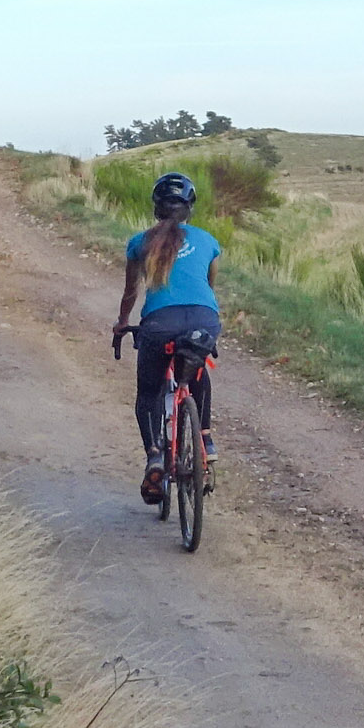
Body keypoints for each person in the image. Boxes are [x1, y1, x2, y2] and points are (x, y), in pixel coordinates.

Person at [112, 172, 222, 504]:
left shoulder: (139, 242)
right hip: (204, 319)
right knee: (196, 368)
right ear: (190, 207)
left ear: (155, 208)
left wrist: (122, 323)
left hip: (159, 324)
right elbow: (208, 286)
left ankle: (156, 455)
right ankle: (206, 439)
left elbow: (131, 292)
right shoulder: (207, 240)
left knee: (149, 390)